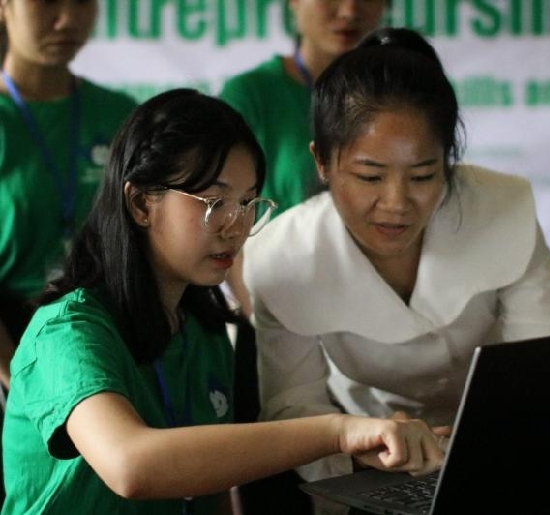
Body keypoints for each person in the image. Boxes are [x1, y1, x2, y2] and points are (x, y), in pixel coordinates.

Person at [1, 88, 446, 515]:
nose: (235, 225)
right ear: (140, 204)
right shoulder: (67, 332)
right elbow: (131, 465)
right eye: (213, 202)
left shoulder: (204, 332)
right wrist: (338, 430)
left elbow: (206, 487)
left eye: (249, 202)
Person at [242, 27, 550, 485]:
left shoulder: (501, 208)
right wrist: (359, 444)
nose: (396, 203)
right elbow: (293, 411)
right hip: (370, 457)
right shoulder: (282, 258)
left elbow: (548, 369)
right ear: (322, 161)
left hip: (509, 442)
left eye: (423, 176)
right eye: (369, 176)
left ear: (448, 160)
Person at [219, 0, 387, 320]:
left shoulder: (400, 97)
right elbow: (225, 219)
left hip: (377, 309)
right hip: (275, 301)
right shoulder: (251, 95)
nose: (350, 11)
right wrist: (263, 323)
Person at [0, 0, 137, 389]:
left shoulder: (120, 114)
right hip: (12, 341)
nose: (67, 19)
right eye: (46, 2)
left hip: (106, 330)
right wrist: (18, 376)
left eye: (82, 1)